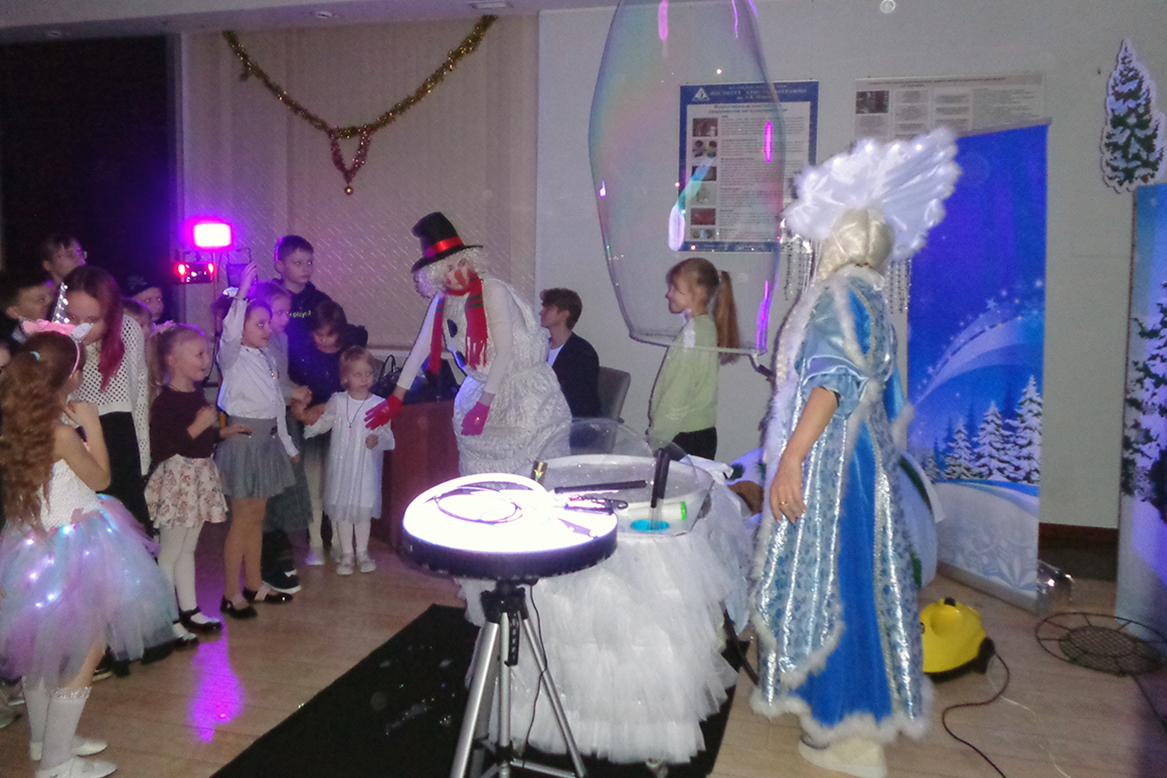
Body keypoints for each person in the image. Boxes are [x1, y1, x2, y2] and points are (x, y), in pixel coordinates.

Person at [752, 130, 959, 778]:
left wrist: (791, 458)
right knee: (861, 582)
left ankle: (849, 733)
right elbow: (877, 392)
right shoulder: (871, 297)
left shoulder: (838, 295)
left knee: (833, 584)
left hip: (830, 461)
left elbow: (830, 382)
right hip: (860, 459)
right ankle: (853, 716)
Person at [0, 328, 176, 778]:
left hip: (31, 545)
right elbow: (100, 480)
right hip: (73, 545)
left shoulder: (16, 422)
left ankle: (46, 740)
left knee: (40, 645)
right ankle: (57, 762)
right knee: (86, 649)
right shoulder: (59, 433)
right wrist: (92, 424)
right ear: (71, 377)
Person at [366, 212, 571, 476]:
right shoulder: (442, 302)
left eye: (462, 263)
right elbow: (420, 350)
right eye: (449, 269)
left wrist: (484, 406)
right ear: (438, 276)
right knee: (480, 475)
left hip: (523, 394)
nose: (459, 273)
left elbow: (505, 351)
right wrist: (396, 398)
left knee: (532, 470)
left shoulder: (493, 291)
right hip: (480, 389)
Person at [145, 324, 251, 642]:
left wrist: (220, 432)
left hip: (197, 477)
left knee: (188, 549)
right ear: (173, 360)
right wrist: (198, 426)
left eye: (206, 353)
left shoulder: (193, 394)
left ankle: (189, 609)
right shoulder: (165, 401)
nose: (206, 360)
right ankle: (167, 616)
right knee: (170, 551)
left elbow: (197, 437)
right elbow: (163, 447)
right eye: (199, 354)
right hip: (178, 479)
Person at [215, 262, 298, 618]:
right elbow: (230, 332)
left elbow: (277, 405)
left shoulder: (266, 358)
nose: (267, 329)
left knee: (257, 518)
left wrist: (288, 445)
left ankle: (254, 582)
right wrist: (243, 295)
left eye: (267, 323)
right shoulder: (231, 357)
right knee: (242, 520)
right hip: (244, 443)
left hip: (266, 442)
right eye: (259, 324)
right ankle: (230, 592)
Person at [63, 266, 152, 530]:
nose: (80, 328)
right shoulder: (56, 338)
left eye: (92, 319)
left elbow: (138, 394)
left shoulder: (128, 329)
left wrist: (143, 457)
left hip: (119, 435)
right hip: (72, 438)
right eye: (71, 317)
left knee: (127, 530)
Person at [303, 347, 394, 575]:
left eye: (368, 373)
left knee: (362, 511)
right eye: (358, 374)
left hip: (365, 467)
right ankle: (346, 554)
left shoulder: (380, 404)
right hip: (342, 466)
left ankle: (362, 552)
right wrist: (309, 426)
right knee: (342, 511)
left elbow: (386, 433)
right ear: (345, 378)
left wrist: (377, 439)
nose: (364, 379)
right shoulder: (338, 401)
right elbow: (325, 422)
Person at [290, 299, 367, 566]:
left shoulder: (348, 355)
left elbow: (354, 393)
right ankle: (314, 543)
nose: (323, 340)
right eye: (318, 334)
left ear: (340, 332)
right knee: (313, 487)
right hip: (312, 428)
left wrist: (321, 408)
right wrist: (300, 408)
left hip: (341, 428)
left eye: (329, 334)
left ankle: (336, 540)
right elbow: (294, 388)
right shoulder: (304, 353)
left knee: (338, 488)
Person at [646, 257, 739, 460]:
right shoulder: (704, 327)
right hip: (697, 436)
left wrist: (656, 441)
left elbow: (677, 394)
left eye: (675, 288)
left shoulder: (694, 334)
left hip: (682, 438)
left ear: (698, 293)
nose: (669, 294)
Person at [254, 281, 312, 594]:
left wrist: (296, 395)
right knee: (271, 488)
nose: (284, 318)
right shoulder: (257, 345)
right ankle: (269, 550)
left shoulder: (282, 339)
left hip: (283, 418)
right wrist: (292, 393)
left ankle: (279, 545)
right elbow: (267, 385)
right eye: (278, 313)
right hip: (265, 423)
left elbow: (282, 377)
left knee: (286, 484)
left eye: (287, 312)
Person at [539, 288, 601, 418]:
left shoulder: (582, 353)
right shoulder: (541, 347)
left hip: (569, 422)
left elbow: (582, 402)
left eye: (548, 308)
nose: (541, 312)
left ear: (564, 314)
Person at [273, 235, 330, 367]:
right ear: (280, 266)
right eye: (298, 263)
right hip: (279, 368)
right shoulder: (270, 299)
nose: (306, 269)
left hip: (314, 369)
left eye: (309, 263)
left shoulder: (321, 300)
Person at [0, 269, 54, 353]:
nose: (50, 301)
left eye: (53, 294)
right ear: (15, 312)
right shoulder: (13, 352)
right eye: (41, 300)